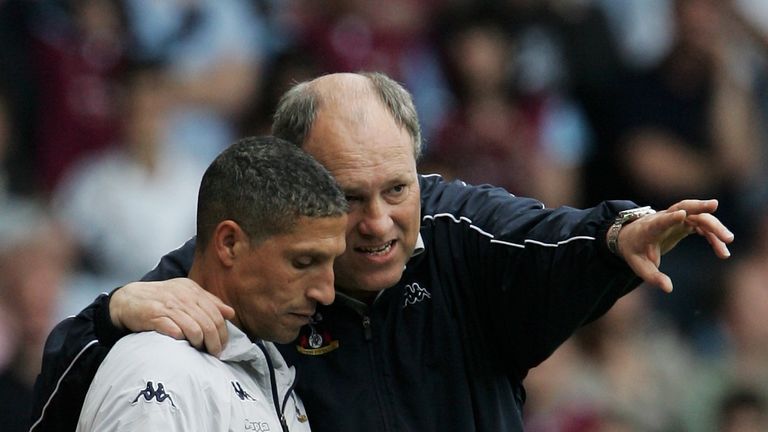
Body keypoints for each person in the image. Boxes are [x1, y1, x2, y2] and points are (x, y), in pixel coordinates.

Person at [31, 72, 734, 431]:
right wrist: (115, 312)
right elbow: (67, 390)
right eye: (347, 196)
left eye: (397, 188)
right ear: (292, 183)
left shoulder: (461, 232)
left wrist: (618, 234)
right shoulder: (245, 266)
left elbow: (552, 240)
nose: (378, 223)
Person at [49, 136, 348, 431]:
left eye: (332, 262)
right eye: (303, 262)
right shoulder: (159, 374)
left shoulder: (269, 365)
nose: (326, 292)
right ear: (229, 243)